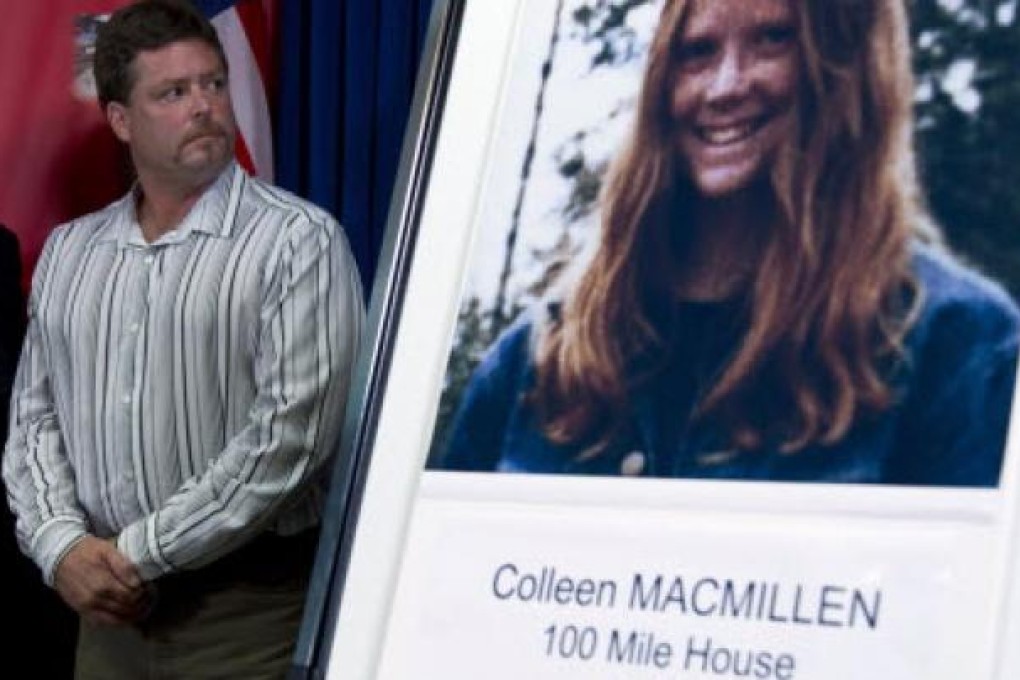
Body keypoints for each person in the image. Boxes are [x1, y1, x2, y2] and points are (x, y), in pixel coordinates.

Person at [440, 0, 1019, 486]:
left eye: (772, 39)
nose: (725, 86)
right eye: (698, 52)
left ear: (848, 65)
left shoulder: (961, 351)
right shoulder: (538, 359)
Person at [2, 2, 364, 677]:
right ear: (120, 120)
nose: (203, 106)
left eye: (213, 84)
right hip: (102, 613)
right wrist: (60, 546)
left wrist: (133, 554)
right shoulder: (70, 252)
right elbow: (32, 421)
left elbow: (292, 440)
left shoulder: (297, 241)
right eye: (173, 92)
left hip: (244, 613)